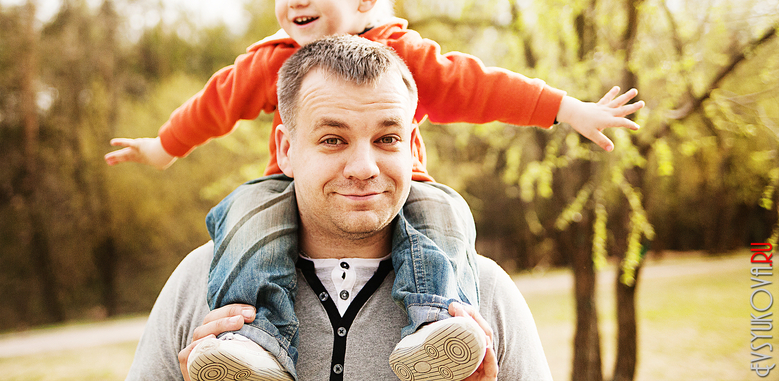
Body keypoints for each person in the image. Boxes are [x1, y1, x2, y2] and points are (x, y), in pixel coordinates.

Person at [108, 0, 643, 381]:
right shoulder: (271, 61)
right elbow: (214, 104)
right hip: (279, 191)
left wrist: (563, 108)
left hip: (417, 197)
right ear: (288, 144)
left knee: (446, 217)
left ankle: (436, 326)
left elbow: (479, 86)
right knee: (245, 215)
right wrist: (163, 147)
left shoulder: (403, 54)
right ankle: (253, 339)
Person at [125, 35, 553, 381]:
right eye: (333, 140)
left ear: (413, 147)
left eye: (387, 139)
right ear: (286, 150)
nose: (364, 168)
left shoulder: (480, 294)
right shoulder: (200, 284)